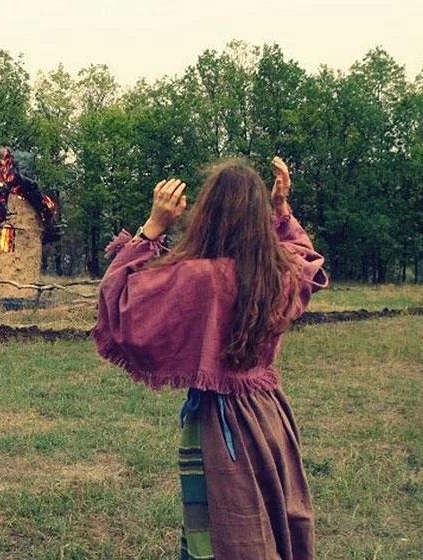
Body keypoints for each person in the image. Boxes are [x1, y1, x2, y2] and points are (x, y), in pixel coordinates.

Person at [93, 157, 329, 559]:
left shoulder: (199, 277)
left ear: (209, 214)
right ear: (259, 218)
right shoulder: (281, 272)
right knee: (272, 520)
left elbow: (119, 300)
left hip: (220, 426)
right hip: (271, 417)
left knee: (228, 534)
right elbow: (303, 253)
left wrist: (153, 227)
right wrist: (282, 207)